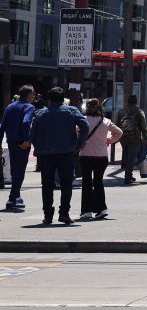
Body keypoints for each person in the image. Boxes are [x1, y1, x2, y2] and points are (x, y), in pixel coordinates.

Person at [29, 87, 89, 225]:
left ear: (49, 100)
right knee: (66, 184)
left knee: (47, 185)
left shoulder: (41, 113)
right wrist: (79, 144)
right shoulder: (71, 110)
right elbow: (84, 126)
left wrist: (38, 145)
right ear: (63, 99)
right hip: (66, 153)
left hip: (45, 154)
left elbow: (32, 134)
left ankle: (48, 215)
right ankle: (64, 214)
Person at [78, 98, 122, 220]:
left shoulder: (84, 120)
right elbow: (119, 132)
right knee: (98, 182)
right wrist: (109, 140)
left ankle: (87, 211)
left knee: (86, 183)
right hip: (102, 156)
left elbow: (75, 133)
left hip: (86, 155)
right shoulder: (106, 121)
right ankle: (102, 209)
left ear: (87, 107)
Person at [0, 85, 36, 211]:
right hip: (22, 143)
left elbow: (2, 126)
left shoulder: (10, 106)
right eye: (33, 94)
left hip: (11, 141)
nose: (34, 96)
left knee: (14, 170)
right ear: (28, 94)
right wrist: (26, 139)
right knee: (19, 171)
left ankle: (16, 196)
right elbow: (26, 122)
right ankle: (13, 198)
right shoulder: (29, 107)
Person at [116, 94, 147, 185]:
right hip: (134, 137)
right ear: (136, 102)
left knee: (127, 155)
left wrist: (117, 136)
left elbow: (117, 123)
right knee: (131, 157)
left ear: (127, 101)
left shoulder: (121, 111)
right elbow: (143, 125)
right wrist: (146, 137)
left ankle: (129, 174)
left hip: (123, 136)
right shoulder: (139, 111)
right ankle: (128, 176)